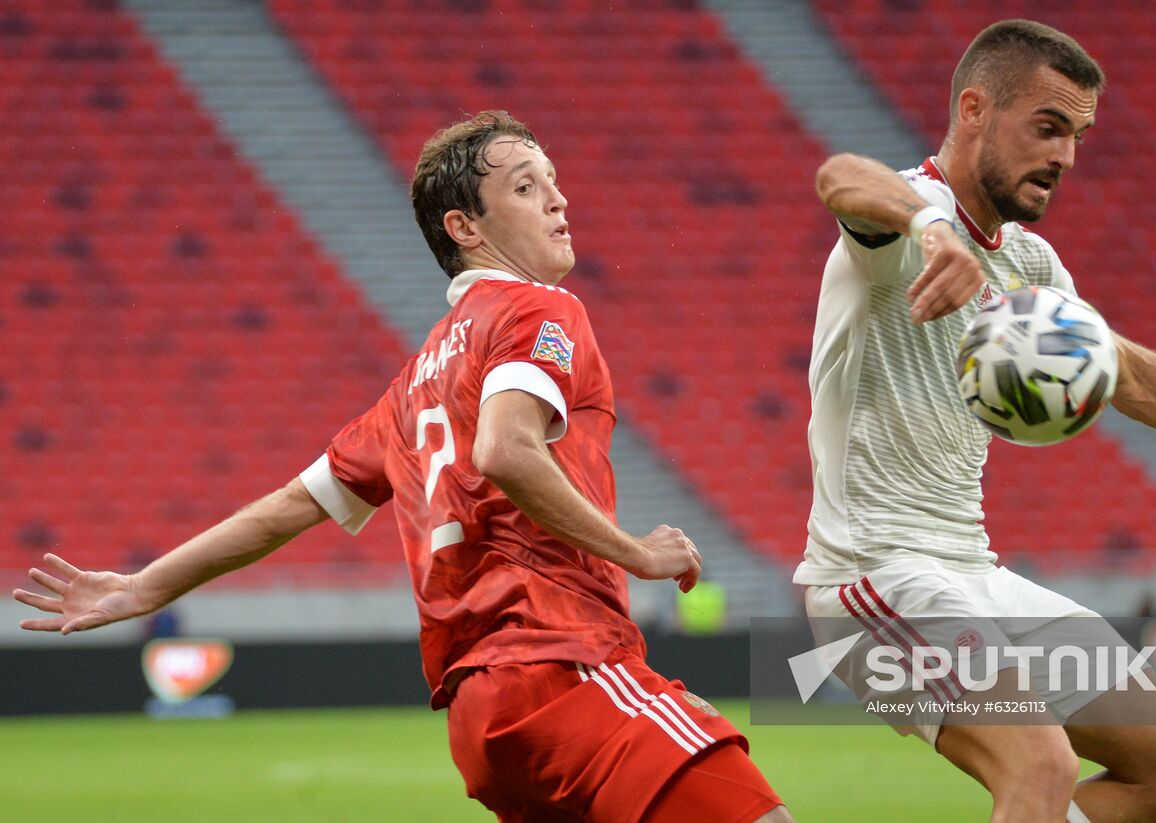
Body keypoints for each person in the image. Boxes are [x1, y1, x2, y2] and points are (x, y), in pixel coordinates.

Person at [12, 111, 792, 823]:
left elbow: (290, 504)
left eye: (554, 182)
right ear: (465, 226)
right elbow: (505, 448)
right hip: (564, 665)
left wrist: (145, 585)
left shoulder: (411, 383)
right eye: (527, 186)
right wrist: (638, 551)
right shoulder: (540, 310)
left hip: (481, 718)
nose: (558, 201)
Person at [797, 20, 1156, 823]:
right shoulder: (906, 225)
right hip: (872, 578)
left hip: (971, 571)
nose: (1066, 157)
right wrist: (929, 229)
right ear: (974, 109)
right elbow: (841, 175)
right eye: (1048, 128)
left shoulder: (1029, 263)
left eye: (1078, 135)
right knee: (1041, 766)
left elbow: (1124, 370)